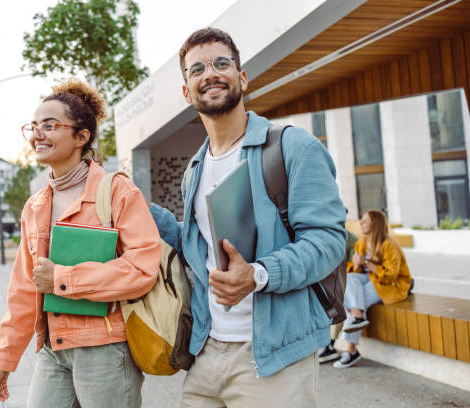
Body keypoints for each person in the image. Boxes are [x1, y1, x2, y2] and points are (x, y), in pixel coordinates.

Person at [149, 28, 347, 407]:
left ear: (241, 78)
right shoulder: (194, 168)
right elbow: (197, 251)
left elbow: (328, 242)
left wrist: (258, 275)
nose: (210, 73)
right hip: (207, 354)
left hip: (273, 358)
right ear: (187, 91)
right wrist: (142, 209)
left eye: (221, 63)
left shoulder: (292, 146)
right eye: (197, 69)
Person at [0, 78, 161, 407]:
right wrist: (4, 360)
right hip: (53, 348)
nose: (38, 133)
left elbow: (142, 269)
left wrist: (63, 279)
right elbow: (24, 290)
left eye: (50, 125)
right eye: (34, 126)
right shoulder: (34, 206)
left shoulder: (117, 192)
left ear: (81, 136)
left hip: (105, 349)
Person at [333, 209, 412, 368]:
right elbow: (355, 272)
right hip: (370, 280)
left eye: (365, 221)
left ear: (375, 224)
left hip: (391, 285)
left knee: (357, 302)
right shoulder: (362, 242)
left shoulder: (389, 245)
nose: (361, 223)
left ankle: (351, 350)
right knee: (348, 280)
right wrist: (356, 263)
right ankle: (357, 316)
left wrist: (367, 263)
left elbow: (390, 275)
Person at [318, 230, 358, 363]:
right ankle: (328, 344)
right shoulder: (324, 235)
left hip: (348, 280)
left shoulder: (350, 238)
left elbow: (354, 265)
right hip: (337, 282)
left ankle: (330, 344)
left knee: (338, 304)